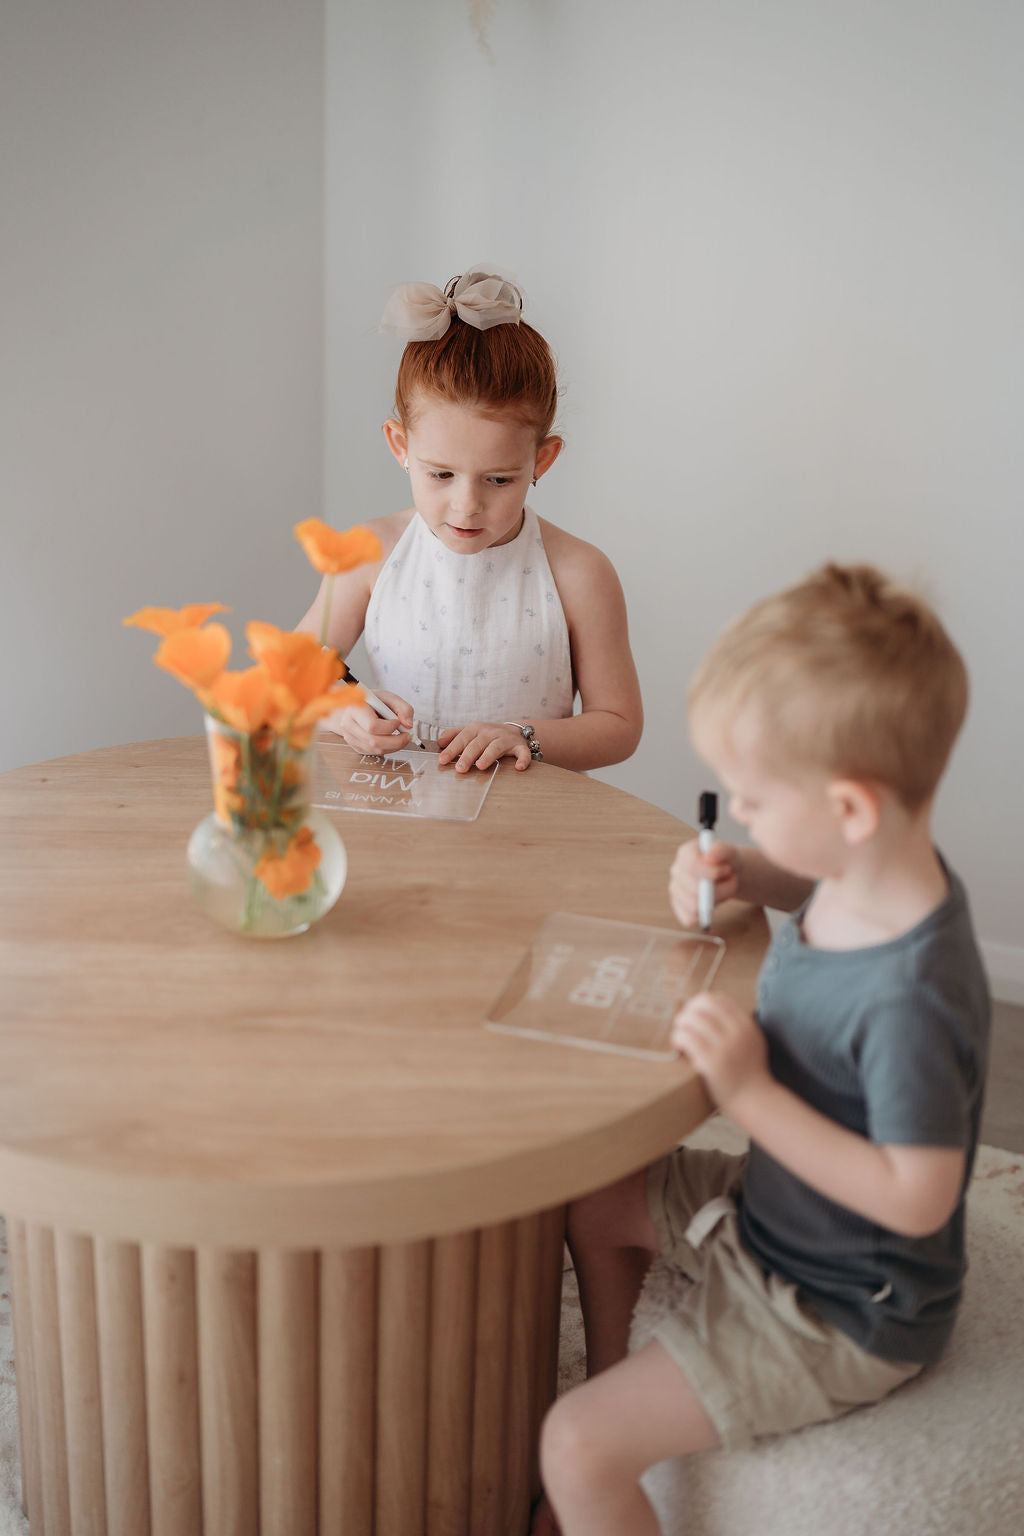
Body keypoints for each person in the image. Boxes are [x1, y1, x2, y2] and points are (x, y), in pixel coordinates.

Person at [533, 562, 990, 1536]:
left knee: (571, 1444)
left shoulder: (909, 998)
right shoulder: (873, 867)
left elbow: (920, 1195)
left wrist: (748, 1094)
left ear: (851, 810)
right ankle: (627, 1380)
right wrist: (752, 870)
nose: (736, 813)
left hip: (838, 1303)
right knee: (593, 1189)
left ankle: (613, 1445)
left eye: (753, 801)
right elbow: (810, 881)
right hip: (775, 1212)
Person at [297, 270, 643, 773]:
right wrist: (339, 711)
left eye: (498, 480)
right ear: (401, 447)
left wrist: (521, 735)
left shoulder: (580, 573)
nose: (466, 506)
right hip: (400, 820)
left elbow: (618, 725)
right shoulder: (368, 553)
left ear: (541, 461)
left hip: (528, 832)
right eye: (440, 474)